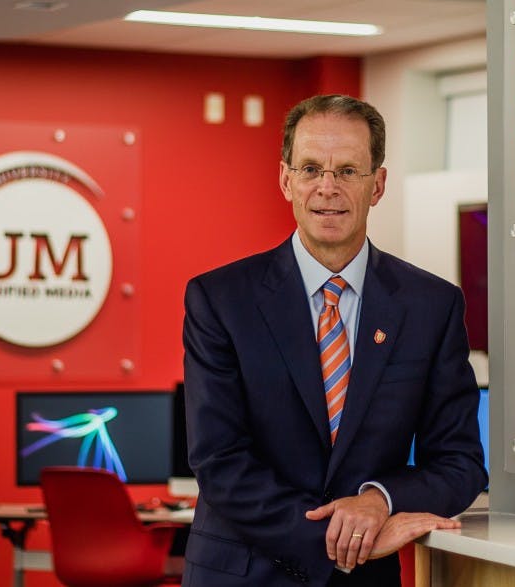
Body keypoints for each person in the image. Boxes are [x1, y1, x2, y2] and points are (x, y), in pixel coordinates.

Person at [181, 94, 487, 586]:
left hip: (364, 580)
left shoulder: (431, 305)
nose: (328, 188)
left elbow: (460, 462)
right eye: (310, 169)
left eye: (348, 171)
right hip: (241, 576)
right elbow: (220, 461)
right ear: (286, 180)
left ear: (378, 184)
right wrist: (336, 538)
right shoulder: (220, 300)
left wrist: (378, 499)